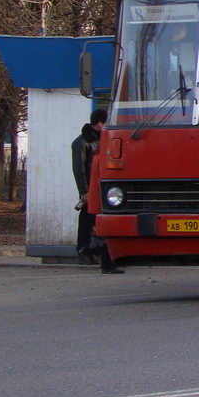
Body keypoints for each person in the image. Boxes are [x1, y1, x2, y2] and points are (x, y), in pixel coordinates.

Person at [72, 108, 123, 274]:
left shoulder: (99, 139)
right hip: (91, 188)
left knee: (92, 220)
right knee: (88, 220)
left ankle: (91, 251)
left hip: (100, 187)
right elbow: (79, 169)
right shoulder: (82, 142)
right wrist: (84, 191)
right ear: (99, 123)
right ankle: (84, 250)